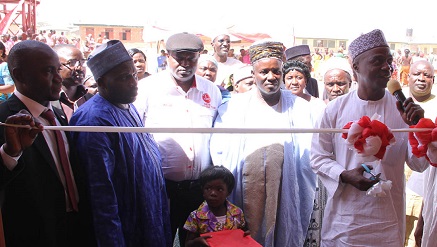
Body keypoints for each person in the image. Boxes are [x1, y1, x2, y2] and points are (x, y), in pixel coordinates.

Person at [311, 29, 429, 246]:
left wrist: (417, 128)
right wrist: (345, 175)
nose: (387, 67)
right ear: (356, 67)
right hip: (345, 224)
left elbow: (418, 164)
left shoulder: (402, 109)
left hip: (388, 223)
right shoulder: (334, 110)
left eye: (389, 60)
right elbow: (318, 158)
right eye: (378, 61)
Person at [210, 39, 316, 247]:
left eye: (276, 71)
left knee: (282, 234)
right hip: (244, 188)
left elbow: (308, 155)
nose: (270, 77)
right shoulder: (233, 108)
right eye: (264, 72)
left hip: (285, 187)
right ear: (253, 73)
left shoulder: (300, 108)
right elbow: (220, 152)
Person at [69, 40, 172, 247]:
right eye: (124, 78)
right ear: (101, 82)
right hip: (127, 229)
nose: (134, 82)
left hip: (150, 218)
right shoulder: (94, 120)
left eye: (133, 75)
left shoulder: (127, 104)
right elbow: (101, 196)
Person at [0, 40, 94, 246]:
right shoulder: (4, 119)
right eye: (48, 71)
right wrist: (10, 153)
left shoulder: (59, 115)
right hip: (34, 234)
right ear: (19, 75)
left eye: (58, 69)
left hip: (75, 227)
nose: (59, 78)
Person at [133, 32, 222, 247]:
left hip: (199, 191)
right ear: (166, 56)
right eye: (179, 57)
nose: (185, 64)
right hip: (161, 188)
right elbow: (135, 137)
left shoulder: (211, 90)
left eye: (191, 58)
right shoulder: (147, 89)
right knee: (158, 240)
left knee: (197, 244)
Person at [402, 60, 437, 247]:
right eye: (417, 74)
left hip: (426, 190)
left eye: (427, 75)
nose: (422, 79)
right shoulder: (395, 102)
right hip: (396, 187)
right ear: (408, 77)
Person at [183, 165, 249, 247]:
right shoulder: (195, 216)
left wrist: (245, 235)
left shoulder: (237, 213)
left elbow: (243, 232)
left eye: (219, 189)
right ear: (203, 190)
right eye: (208, 188)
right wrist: (197, 241)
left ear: (228, 192)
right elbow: (187, 244)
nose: (213, 193)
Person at [282, 60, 325, 125]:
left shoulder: (317, 105)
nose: (294, 82)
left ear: (305, 81)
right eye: (290, 78)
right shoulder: (279, 103)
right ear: (284, 81)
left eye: (299, 78)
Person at [52, 44, 87, 121]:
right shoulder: (47, 102)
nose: (79, 68)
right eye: (72, 63)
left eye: (82, 62)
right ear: (55, 66)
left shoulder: (90, 98)